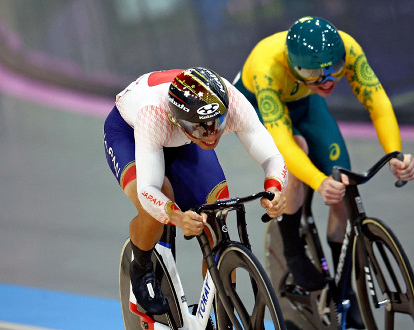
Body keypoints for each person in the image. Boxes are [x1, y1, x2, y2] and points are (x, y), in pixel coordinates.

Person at [233, 16, 414, 328]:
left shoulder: (347, 49)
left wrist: (394, 153)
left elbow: (377, 103)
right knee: (297, 152)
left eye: (334, 69)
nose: (328, 81)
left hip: (304, 101)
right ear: (296, 67)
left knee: (342, 180)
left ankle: (345, 290)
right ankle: (292, 248)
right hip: (256, 106)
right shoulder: (268, 65)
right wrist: (317, 182)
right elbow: (283, 144)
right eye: (316, 74)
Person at [103, 67, 287, 317]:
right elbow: (149, 189)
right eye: (201, 127)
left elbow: (272, 156)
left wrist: (274, 188)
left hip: (182, 139)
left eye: (217, 123)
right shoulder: (153, 114)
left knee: (217, 213)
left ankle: (219, 312)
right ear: (179, 119)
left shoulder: (229, 100)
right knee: (161, 197)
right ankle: (142, 266)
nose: (211, 135)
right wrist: (176, 217)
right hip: (129, 134)